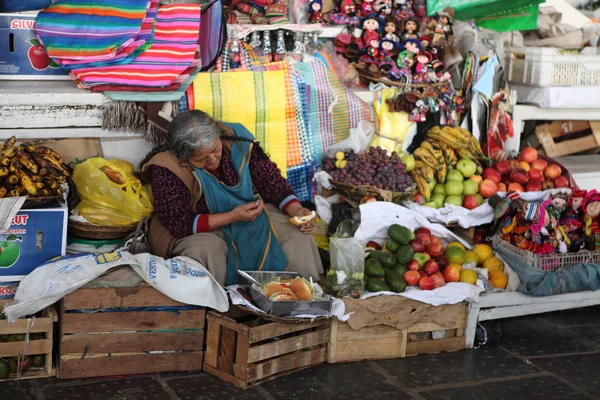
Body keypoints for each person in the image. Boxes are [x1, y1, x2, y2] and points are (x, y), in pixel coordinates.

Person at [140, 110, 324, 285]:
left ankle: (300, 299)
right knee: (207, 251)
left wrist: (297, 210)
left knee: (296, 233)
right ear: (183, 155)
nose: (212, 160)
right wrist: (233, 216)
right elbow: (179, 222)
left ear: (218, 137)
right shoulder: (167, 166)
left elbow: (271, 182)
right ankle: (222, 310)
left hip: (245, 213)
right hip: (201, 228)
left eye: (215, 150)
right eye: (201, 159)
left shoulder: (237, 140)